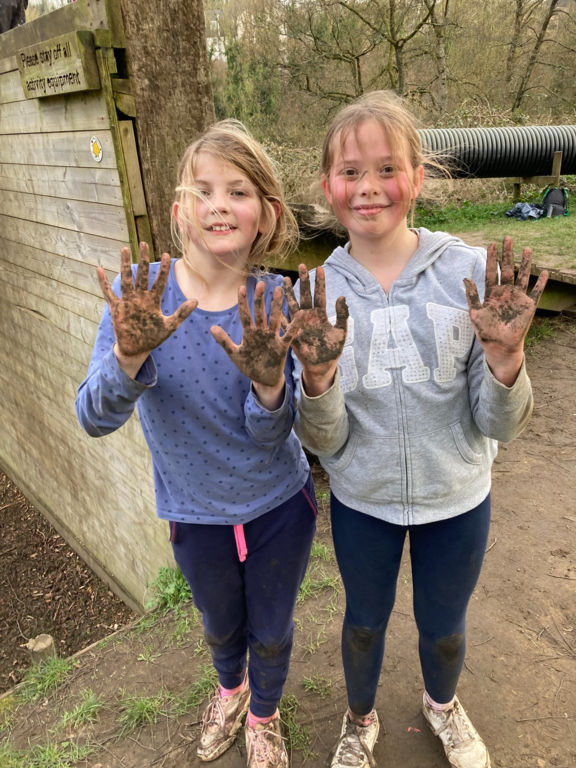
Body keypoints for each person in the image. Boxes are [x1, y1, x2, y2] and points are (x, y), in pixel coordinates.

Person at [283, 91, 548, 768]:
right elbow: (325, 442)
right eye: (350, 172)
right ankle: (359, 720)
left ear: (418, 177)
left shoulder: (469, 275)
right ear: (327, 186)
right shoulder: (315, 297)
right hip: (363, 502)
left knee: (446, 632)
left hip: (457, 499)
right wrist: (318, 379)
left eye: (386, 169)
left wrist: (507, 361)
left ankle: (443, 705)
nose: (368, 187)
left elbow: (499, 423)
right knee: (363, 626)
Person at [76, 120, 317, 768]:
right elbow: (92, 418)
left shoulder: (275, 302)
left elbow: (274, 433)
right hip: (194, 514)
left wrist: (270, 386)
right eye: (202, 190)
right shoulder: (141, 299)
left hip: (278, 507)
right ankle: (232, 692)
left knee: (272, 630)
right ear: (179, 210)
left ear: (266, 214)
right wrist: (128, 357)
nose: (219, 204)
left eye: (238, 191)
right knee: (220, 625)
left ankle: (263, 715)